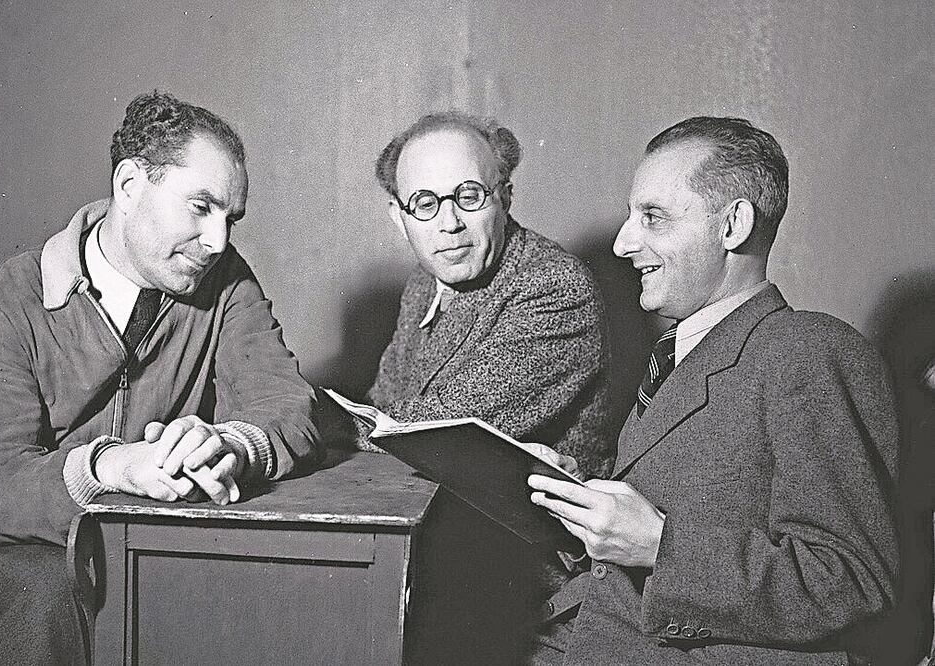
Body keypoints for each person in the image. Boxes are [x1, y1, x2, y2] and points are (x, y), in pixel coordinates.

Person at [0, 92, 320, 665]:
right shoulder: (4, 300)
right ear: (128, 185)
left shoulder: (227, 283)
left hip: (127, 529)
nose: (218, 242)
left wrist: (228, 445)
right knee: (52, 598)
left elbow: (287, 403)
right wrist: (112, 466)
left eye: (230, 218)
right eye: (200, 207)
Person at [525, 116, 900, 664]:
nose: (623, 242)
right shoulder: (687, 353)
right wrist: (577, 492)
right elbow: (698, 499)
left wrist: (659, 546)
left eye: (653, 217)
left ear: (733, 226)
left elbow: (854, 581)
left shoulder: (807, 349)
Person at [365, 111, 611, 477]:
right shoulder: (424, 280)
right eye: (425, 204)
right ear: (400, 219)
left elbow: (450, 427)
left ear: (505, 199)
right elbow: (386, 400)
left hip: (528, 525)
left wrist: (323, 422)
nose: (450, 224)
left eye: (469, 196)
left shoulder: (555, 284)